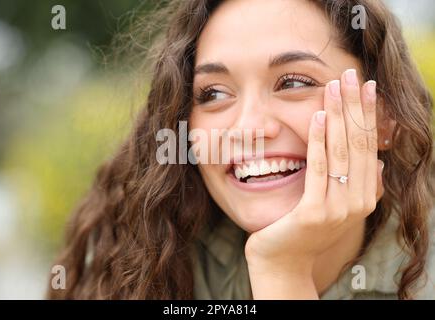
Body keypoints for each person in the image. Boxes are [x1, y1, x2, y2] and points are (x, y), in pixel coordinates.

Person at [48, 0, 435, 299]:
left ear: (385, 117)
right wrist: (282, 266)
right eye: (213, 93)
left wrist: (283, 270)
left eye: (294, 82)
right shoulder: (141, 261)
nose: (247, 128)